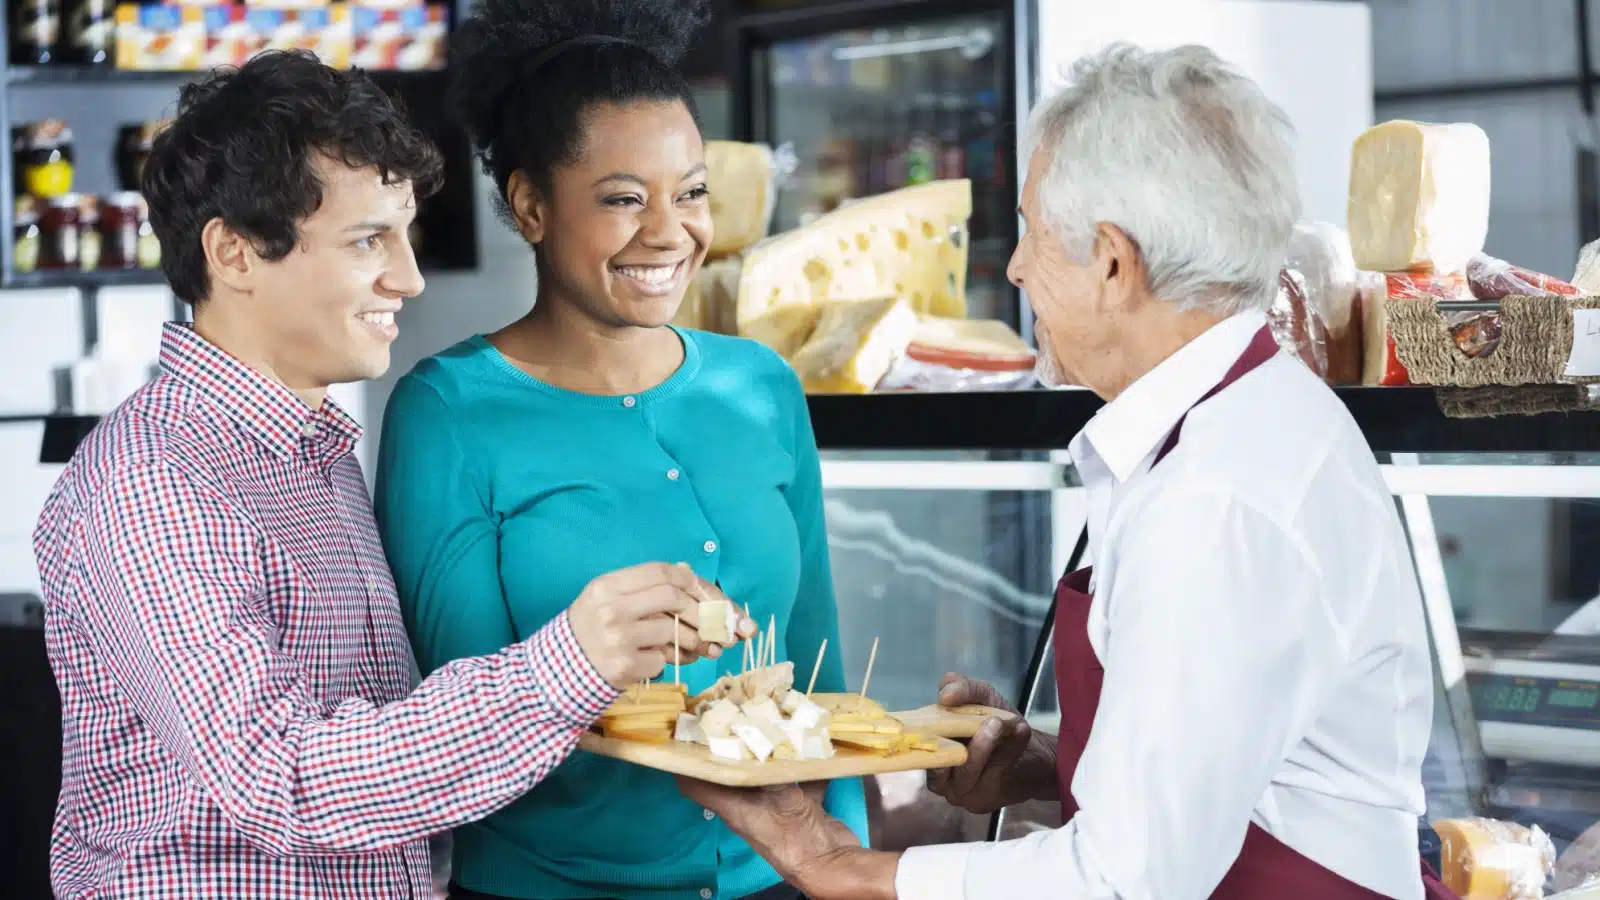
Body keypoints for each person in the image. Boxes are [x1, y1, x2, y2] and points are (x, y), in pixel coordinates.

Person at [678, 43, 1461, 900]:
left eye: (1034, 235)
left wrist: (844, 867)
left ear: (1116, 263)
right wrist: (1046, 764)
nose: (1013, 268)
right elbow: (1241, 762)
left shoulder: (1219, 497)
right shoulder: (1235, 416)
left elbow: (1127, 880)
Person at [31, 50, 742, 900]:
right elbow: (281, 779)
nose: (406, 277)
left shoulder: (315, 454)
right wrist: (568, 663)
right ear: (234, 253)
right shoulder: (154, 483)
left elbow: (378, 767)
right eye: (369, 238)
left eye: (404, 233)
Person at [370, 1, 870, 898]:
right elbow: (457, 722)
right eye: (622, 200)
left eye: (691, 192)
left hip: (780, 880)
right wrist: (587, 650)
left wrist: (851, 866)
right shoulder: (447, 412)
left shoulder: (761, 386)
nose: (669, 231)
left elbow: (821, 667)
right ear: (530, 205)